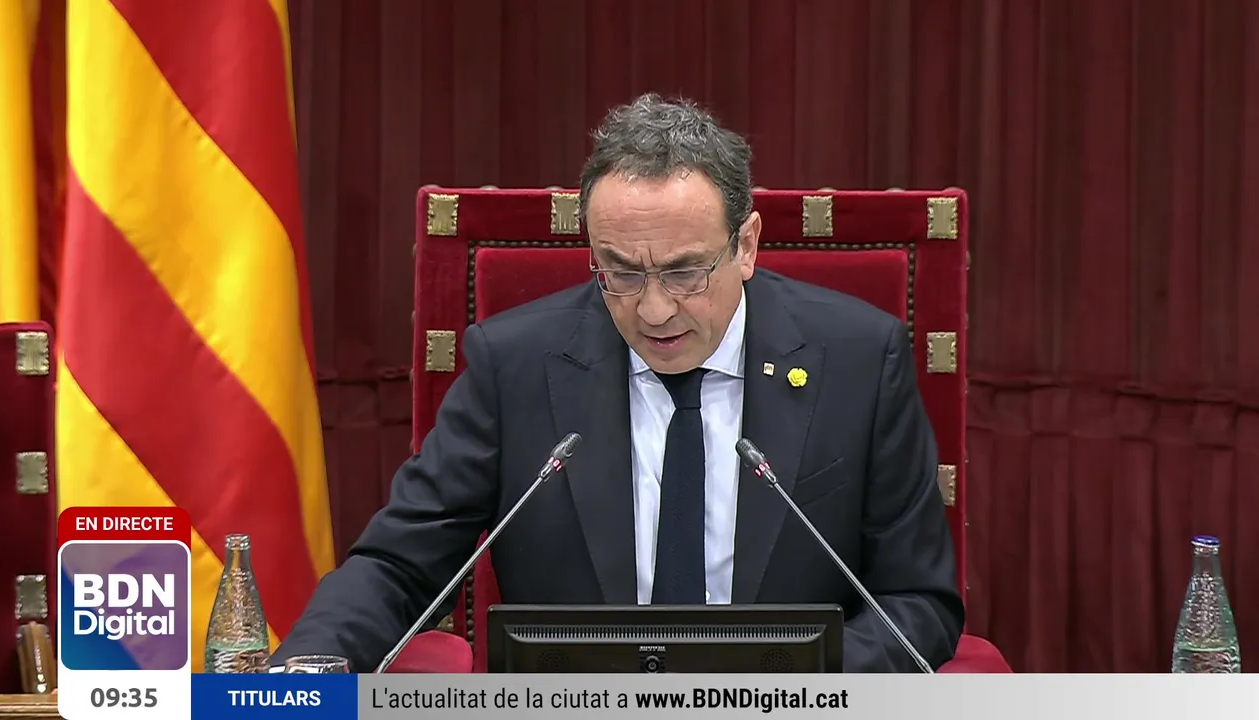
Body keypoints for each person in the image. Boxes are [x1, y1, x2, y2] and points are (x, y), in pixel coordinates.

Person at [272, 93, 963, 673]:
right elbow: (398, 566)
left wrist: (788, 690)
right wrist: (300, 678)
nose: (653, 310)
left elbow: (916, 602)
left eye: (685, 272)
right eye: (621, 272)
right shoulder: (514, 366)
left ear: (746, 245)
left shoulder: (858, 360)